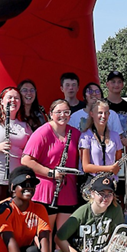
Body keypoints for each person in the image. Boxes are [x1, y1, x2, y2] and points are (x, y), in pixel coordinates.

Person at [21, 98, 81, 236]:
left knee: (63, 236)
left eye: (66, 112)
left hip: (67, 191)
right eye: (58, 112)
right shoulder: (42, 132)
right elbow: (26, 160)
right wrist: (51, 173)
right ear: (50, 114)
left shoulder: (75, 133)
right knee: (44, 235)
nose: (63, 115)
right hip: (45, 191)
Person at [79, 98, 123, 178]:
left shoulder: (115, 136)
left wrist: (112, 169)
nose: (103, 116)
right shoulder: (85, 137)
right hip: (94, 183)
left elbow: (118, 160)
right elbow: (86, 167)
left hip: (111, 183)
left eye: (106, 113)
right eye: (100, 113)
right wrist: (109, 169)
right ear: (92, 114)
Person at [104, 71, 127, 148]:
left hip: (124, 153)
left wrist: (126, 151)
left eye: (119, 82)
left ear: (123, 85)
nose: (116, 85)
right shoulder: (101, 106)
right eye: (113, 82)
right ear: (107, 84)